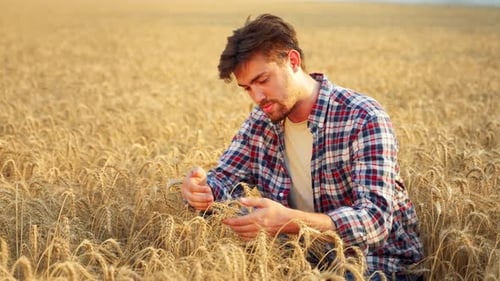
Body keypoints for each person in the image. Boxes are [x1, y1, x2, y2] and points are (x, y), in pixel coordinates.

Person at [181, 14, 424, 280]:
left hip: (375, 261)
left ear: (293, 61)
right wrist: (201, 190)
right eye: (247, 88)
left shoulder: (363, 117)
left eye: (262, 80)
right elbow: (223, 179)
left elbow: (375, 219)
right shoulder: (260, 122)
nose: (257, 97)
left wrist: (290, 221)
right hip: (303, 256)